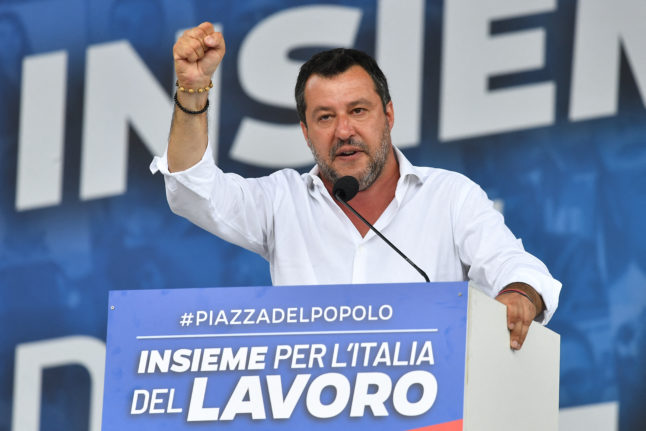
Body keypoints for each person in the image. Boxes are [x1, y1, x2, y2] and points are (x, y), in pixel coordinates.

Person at [151, 22, 561, 350]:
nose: (344, 130)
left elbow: (518, 269)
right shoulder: (282, 201)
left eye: (358, 110)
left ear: (388, 115)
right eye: (325, 117)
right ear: (306, 132)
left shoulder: (450, 196)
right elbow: (192, 190)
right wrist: (191, 88)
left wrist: (519, 295)